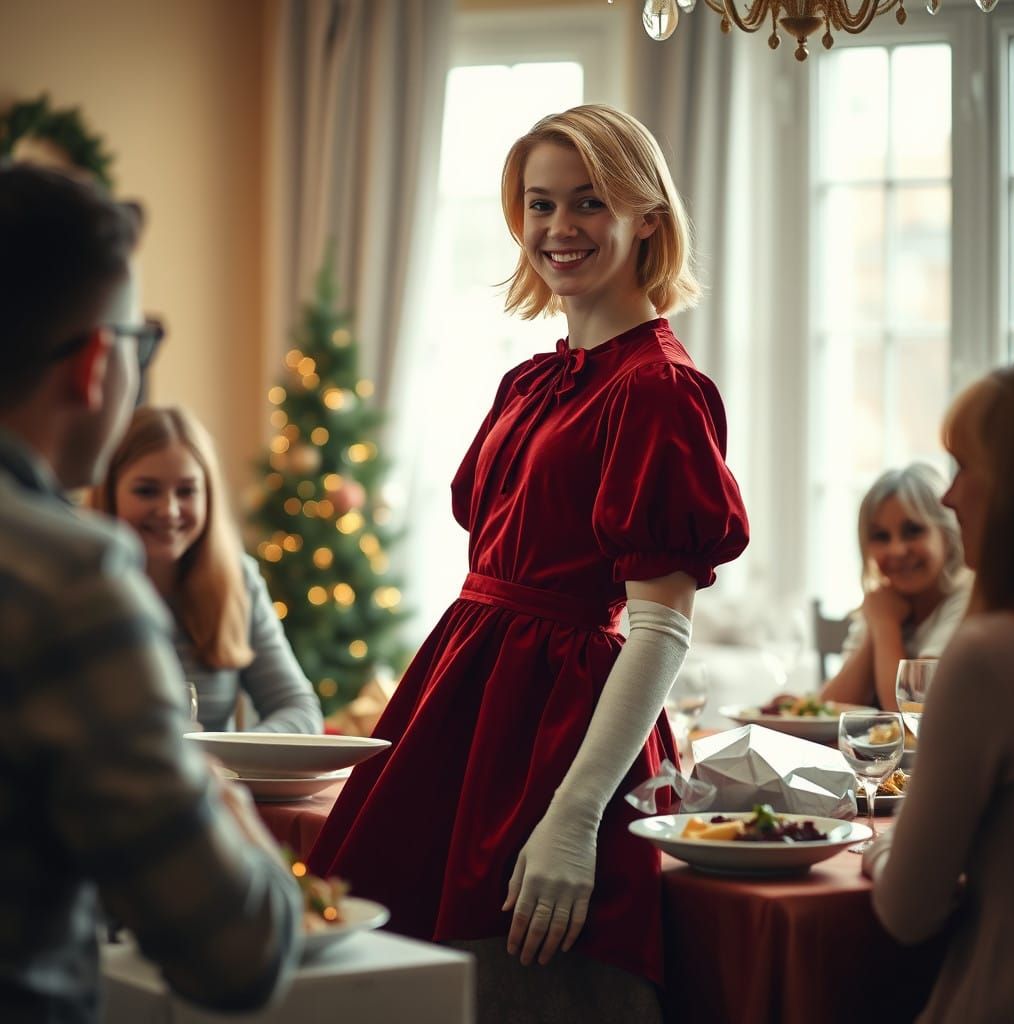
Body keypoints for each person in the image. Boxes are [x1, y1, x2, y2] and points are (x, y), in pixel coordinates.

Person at [307, 104, 749, 1022]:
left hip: (553, 738)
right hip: (464, 713)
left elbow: (661, 629)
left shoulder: (659, 390)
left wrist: (577, 815)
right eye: (540, 205)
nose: (559, 229)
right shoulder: (534, 380)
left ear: (648, 217)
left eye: (589, 202)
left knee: (528, 989)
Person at [0, 163, 300, 1021]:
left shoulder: (219, 579)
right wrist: (220, 793)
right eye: (143, 341)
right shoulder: (75, 582)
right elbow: (238, 956)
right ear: (98, 360)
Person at [863, 362, 1014, 1022]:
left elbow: (907, 911)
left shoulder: (987, 656)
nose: (950, 499)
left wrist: (881, 851)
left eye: (963, 468)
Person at [92, 406, 324, 734]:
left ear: (208, 497)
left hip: (215, 784)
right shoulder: (78, 586)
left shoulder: (237, 579)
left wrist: (228, 754)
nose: (169, 510)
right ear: (110, 494)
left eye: (186, 491)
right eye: (146, 490)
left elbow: (299, 709)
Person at [820, 463, 969, 711]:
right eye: (881, 536)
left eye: (912, 531)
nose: (897, 550)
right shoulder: (883, 603)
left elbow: (914, 712)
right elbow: (830, 708)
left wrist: (885, 626)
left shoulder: (965, 600)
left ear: (947, 533)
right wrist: (877, 627)